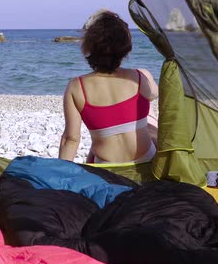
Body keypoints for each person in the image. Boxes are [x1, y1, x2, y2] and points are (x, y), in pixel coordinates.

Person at [59, 9, 158, 163]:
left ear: (89, 47)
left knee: (96, 148)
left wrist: (61, 176)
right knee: (149, 116)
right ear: (125, 47)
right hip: (145, 161)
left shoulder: (76, 87)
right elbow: (154, 95)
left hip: (107, 168)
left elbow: (71, 139)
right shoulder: (140, 76)